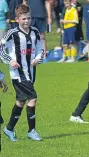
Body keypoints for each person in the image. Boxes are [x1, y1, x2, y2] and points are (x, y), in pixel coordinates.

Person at [0, 4, 44, 142]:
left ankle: (9, 129)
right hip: (18, 73)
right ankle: (32, 131)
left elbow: (40, 48)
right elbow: (1, 49)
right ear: (17, 19)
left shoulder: (35, 31)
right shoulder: (12, 34)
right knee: (33, 98)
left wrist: (37, 58)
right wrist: (10, 60)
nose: (27, 21)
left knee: (21, 101)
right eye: (24, 19)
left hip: (31, 72)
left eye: (29, 18)